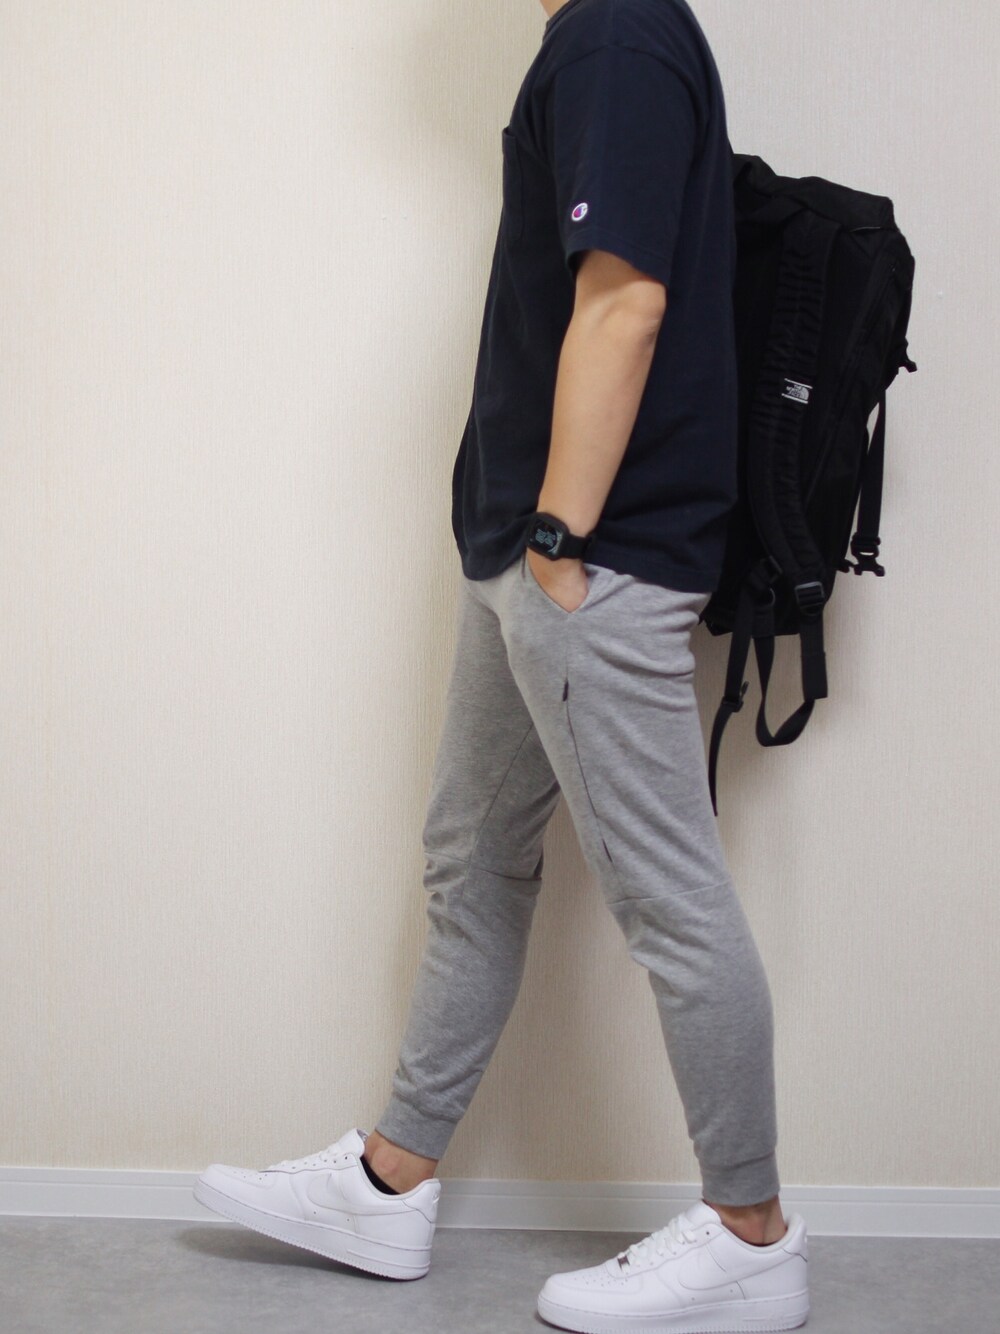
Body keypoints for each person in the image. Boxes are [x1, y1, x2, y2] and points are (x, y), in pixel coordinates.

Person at [195, 1, 810, 1328]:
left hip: (590, 559)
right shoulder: (600, 39)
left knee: (669, 897)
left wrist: (559, 541)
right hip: (535, 558)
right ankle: (390, 1180)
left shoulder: (616, 38)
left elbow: (625, 301)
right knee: (472, 859)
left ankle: (752, 1232)